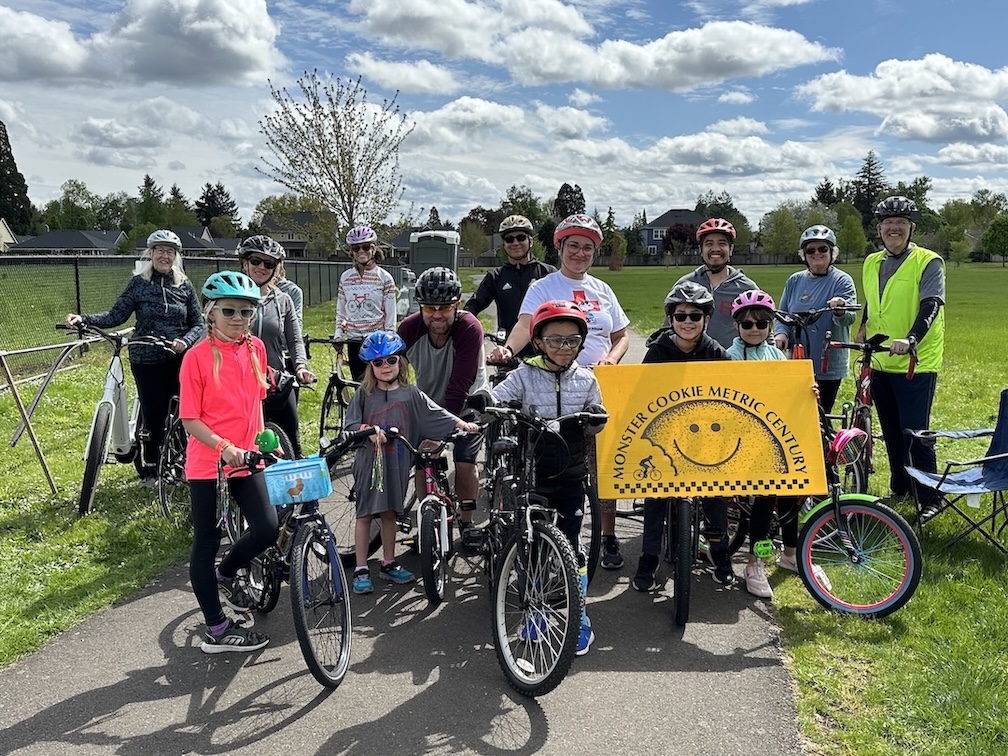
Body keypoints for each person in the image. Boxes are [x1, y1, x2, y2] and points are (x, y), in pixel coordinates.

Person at [488, 213, 630, 570]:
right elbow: (525, 325)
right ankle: (550, 538)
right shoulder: (544, 287)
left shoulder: (603, 290)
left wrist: (612, 359)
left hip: (594, 383)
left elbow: (621, 336)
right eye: (573, 246)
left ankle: (607, 536)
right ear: (560, 247)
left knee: (602, 468)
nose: (580, 253)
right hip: (553, 380)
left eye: (587, 248)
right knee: (557, 467)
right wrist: (508, 350)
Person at [490, 300, 608, 656]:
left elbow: (597, 417)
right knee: (532, 546)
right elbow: (498, 398)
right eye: (555, 340)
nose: (563, 347)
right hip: (533, 473)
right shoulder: (524, 375)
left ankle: (578, 615)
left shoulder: (586, 379)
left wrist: (596, 418)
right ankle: (536, 610)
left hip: (572, 474)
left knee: (571, 545)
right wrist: (485, 401)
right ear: (539, 342)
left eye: (572, 340)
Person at [179, 270, 277, 653]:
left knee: (267, 528)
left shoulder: (256, 349)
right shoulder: (196, 358)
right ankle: (217, 630)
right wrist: (223, 446)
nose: (238, 318)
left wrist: (264, 440)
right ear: (211, 312)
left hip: (247, 458)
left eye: (246, 312)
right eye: (229, 311)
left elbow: (256, 403)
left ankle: (228, 572)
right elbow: (190, 419)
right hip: (210, 466)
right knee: (207, 541)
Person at [65, 229, 204, 487]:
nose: (165, 256)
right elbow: (116, 315)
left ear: (176, 256)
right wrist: (84, 319)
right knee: (154, 413)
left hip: (177, 358)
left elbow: (198, 322)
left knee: (181, 410)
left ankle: (181, 460)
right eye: (160, 251)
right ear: (151, 254)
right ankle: (151, 466)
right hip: (145, 357)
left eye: (170, 252)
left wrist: (185, 341)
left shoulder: (184, 285)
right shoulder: (139, 284)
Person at [345, 331, 478, 594]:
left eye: (391, 360)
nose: (385, 367)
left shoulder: (411, 394)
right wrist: (367, 431)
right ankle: (361, 567)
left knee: (390, 513)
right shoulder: (364, 394)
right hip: (369, 464)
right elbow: (350, 425)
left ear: (401, 362)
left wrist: (460, 424)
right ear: (370, 367)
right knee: (365, 514)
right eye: (378, 363)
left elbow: (435, 413)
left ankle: (388, 562)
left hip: (397, 464)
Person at [634, 281, 735, 590]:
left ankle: (720, 553)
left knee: (716, 493)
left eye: (695, 316)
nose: (687, 322)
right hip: (666, 438)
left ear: (707, 319)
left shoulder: (716, 352)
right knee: (655, 493)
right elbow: (640, 394)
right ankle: (649, 557)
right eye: (680, 316)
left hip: (706, 439)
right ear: (670, 319)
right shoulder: (657, 352)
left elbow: (739, 390)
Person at [857, 196, 945, 513]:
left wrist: (911, 339)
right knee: (892, 432)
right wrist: (864, 325)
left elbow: (932, 304)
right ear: (879, 228)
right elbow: (874, 300)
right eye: (888, 222)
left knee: (915, 432)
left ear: (911, 228)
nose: (893, 228)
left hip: (915, 362)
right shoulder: (871, 262)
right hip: (881, 359)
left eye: (901, 223)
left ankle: (931, 496)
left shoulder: (928, 261)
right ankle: (902, 489)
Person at [726, 289, 805, 599]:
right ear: (736, 326)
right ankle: (754, 562)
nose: (754, 329)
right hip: (740, 440)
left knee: (793, 485)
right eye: (747, 324)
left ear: (771, 326)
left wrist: (805, 390)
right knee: (768, 488)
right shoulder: (729, 356)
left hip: (772, 436)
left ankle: (790, 552)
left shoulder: (776, 355)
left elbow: (786, 392)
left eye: (762, 324)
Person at [399, 267, 488, 538]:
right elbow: (393, 374)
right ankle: (427, 516)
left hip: (468, 400)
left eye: (445, 307)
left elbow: (460, 385)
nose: (437, 315)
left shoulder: (469, 328)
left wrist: (440, 434)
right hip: (428, 402)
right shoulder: (409, 328)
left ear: (457, 305)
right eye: (429, 308)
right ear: (420, 306)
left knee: (464, 461)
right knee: (422, 459)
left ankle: (467, 522)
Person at [238, 235, 315, 458]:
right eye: (255, 261)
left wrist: (300, 366)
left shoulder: (283, 300)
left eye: (269, 264)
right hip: (241, 380)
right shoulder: (232, 299)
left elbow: (294, 339)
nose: (261, 267)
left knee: (292, 439)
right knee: (246, 444)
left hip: (275, 378)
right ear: (244, 262)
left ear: (276, 268)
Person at [774, 225, 858, 413]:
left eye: (823, 249)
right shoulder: (794, 281)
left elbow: (849, 318)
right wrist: (781, 334)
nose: (816, 253)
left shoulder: (842, 281)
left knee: (821, 413)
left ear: (832, 252)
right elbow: (782, 314)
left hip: (827, 362)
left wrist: (840, 309)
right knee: (795, 412)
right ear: (804, 255)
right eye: (810, 250)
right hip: (798, 359)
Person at [463, 214, 555, 356]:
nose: (515, 243)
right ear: (504, 244)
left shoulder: (548, 273)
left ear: (531, 241)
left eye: (521, 237)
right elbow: (474, 305)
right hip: (507, 351)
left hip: (545, 352)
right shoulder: (496, 277)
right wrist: (465, 326)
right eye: (509, 239)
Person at [670, 218, 759, 349]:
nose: (715, 249)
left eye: (722, 243)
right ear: (701, 250)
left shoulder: (746, 288)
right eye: (709, 244)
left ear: (731, 249)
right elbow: (668, 329)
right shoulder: (684, 285)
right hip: (691, 359)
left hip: (732, 359)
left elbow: (764, 330)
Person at [335, 225, 398, 379]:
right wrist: (338, 334)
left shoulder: (384, 278)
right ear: (351, 251)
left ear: (373, 249)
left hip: (377, 341)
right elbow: (341, 310)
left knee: (379, 384)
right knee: (358, 385)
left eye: (365, 247)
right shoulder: (345, 278)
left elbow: (391, 314)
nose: (361, 251)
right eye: (356, 248)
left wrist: (389, 339)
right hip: (354, 340)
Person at [273, 258, 304, 327]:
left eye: (270, 263)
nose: (262, 267)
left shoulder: (293, 291)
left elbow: (296, 325)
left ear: (280, 265)